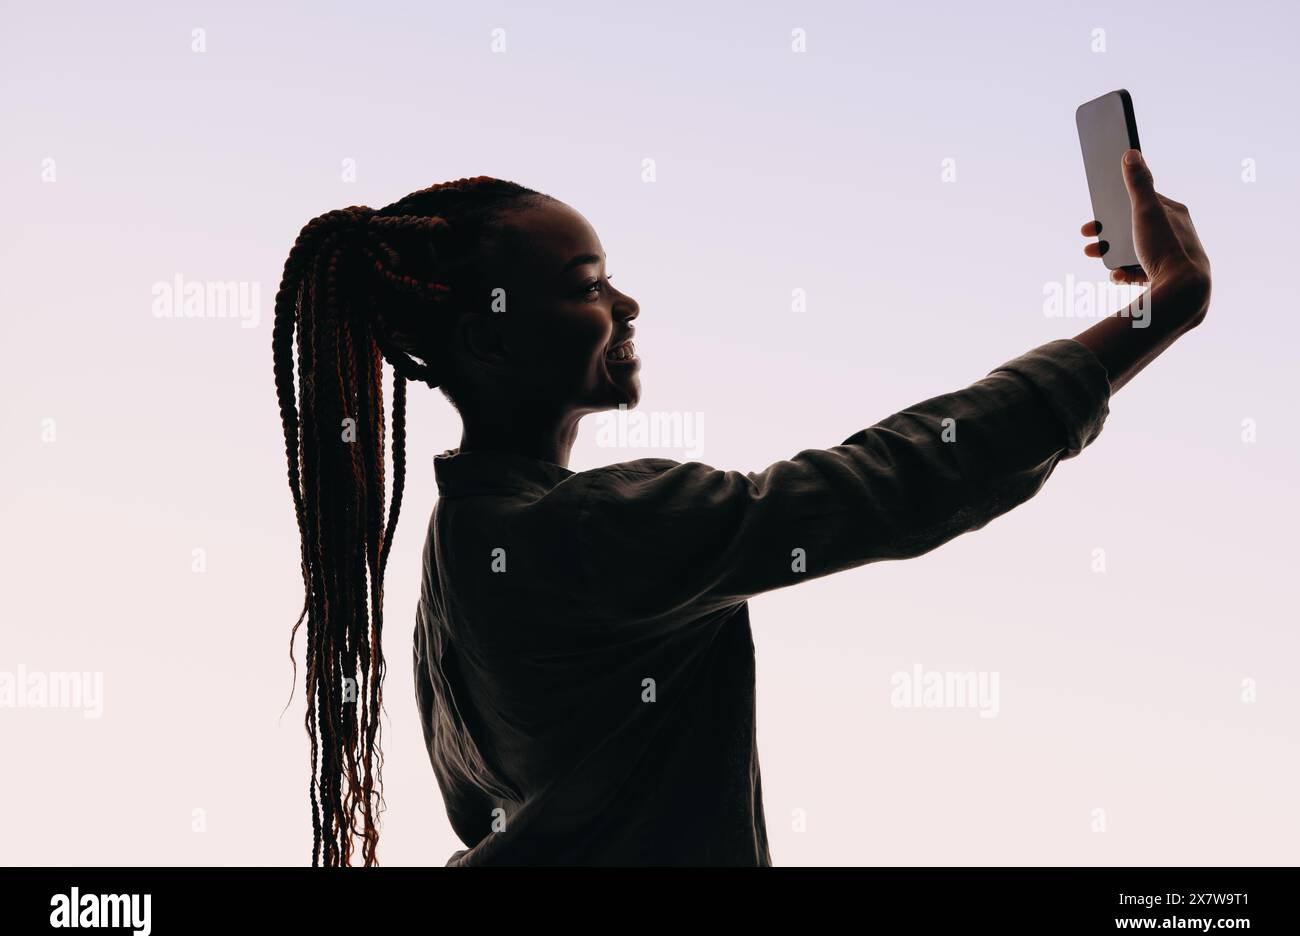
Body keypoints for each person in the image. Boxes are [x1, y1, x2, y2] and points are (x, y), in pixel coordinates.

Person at [271, 149, 1211, 865]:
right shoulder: (587, 530)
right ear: (489, 343)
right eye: (588, 286)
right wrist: (1159, 310)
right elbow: (893, 482)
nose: (627, 303)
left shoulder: (456, 555)